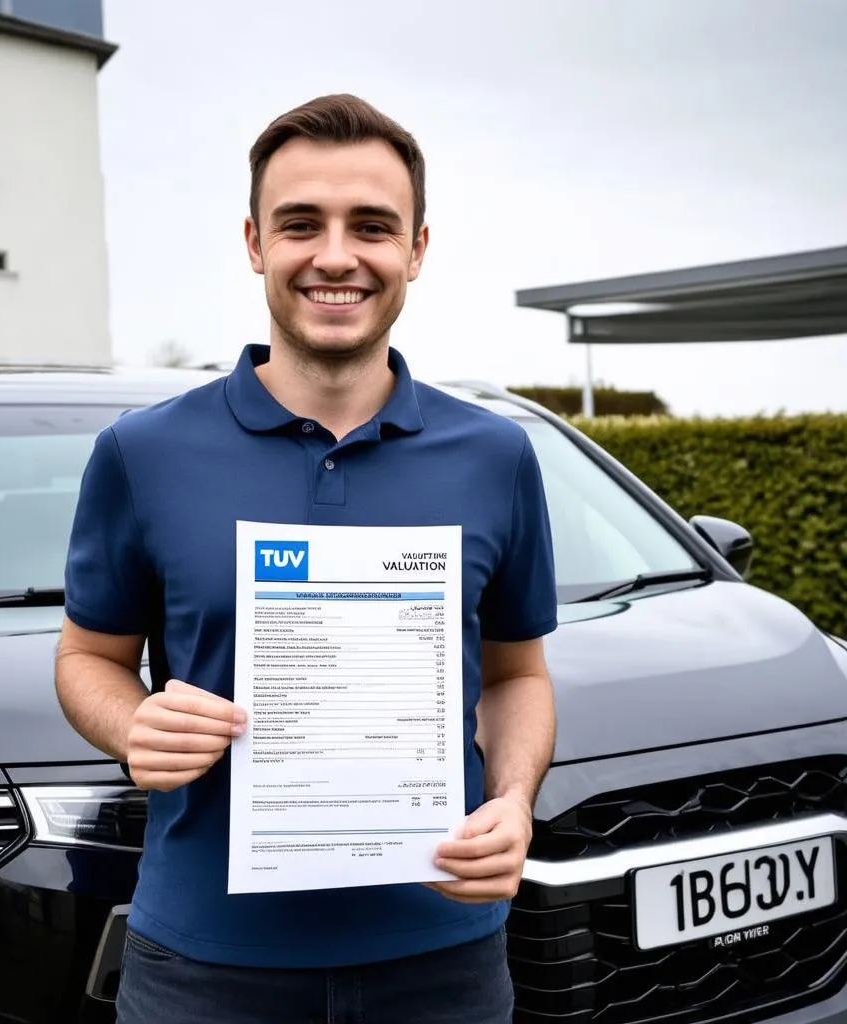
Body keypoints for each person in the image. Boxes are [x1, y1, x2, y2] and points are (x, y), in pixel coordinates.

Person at [55, 93, 558, 1024]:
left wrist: (516, 799)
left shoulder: (496, 456)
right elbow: (88, 658)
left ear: (416, 249)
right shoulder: (144, 452)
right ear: (255, 242)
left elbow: (518, 674)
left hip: (443, 960)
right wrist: (133, 728)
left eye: (372, 226)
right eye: (301, 224)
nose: (336, 255)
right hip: (204, 967)